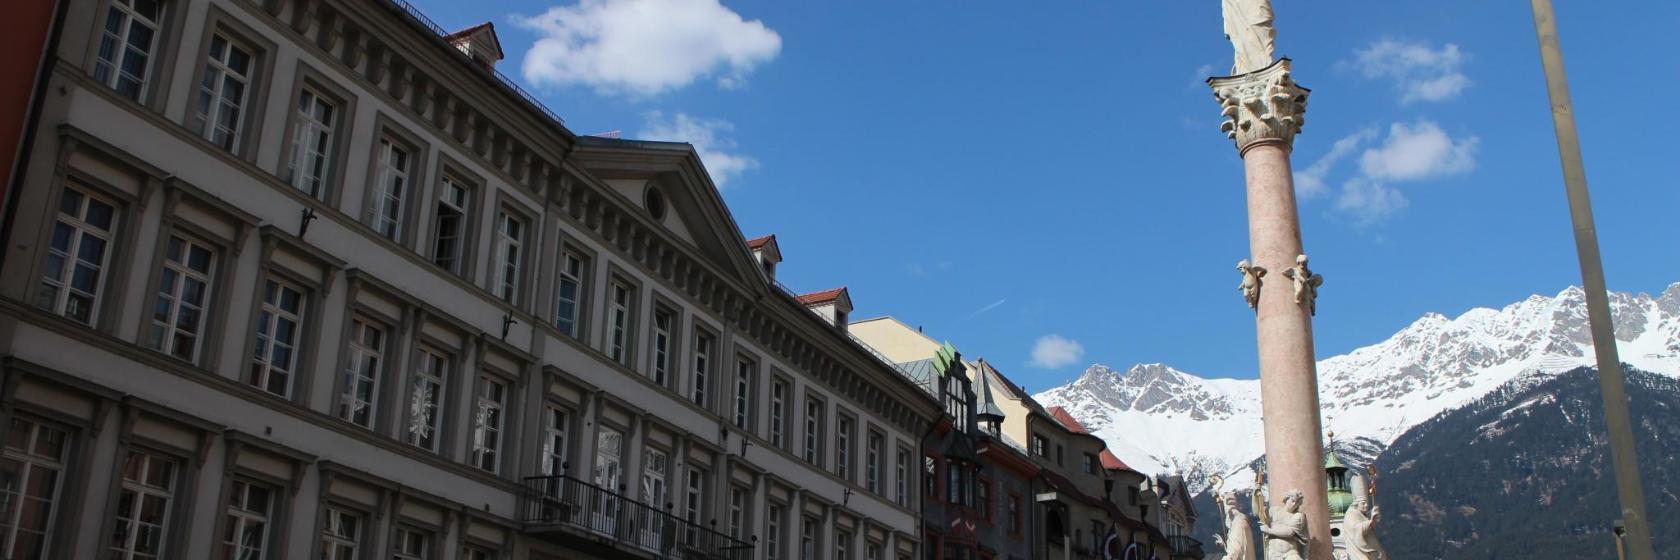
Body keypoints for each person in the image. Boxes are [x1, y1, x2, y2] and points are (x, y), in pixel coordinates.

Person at [1260, 489, 1308, 560]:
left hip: (1290, 554)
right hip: (1274, 554)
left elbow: (1290, 532)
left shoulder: (1298, 516)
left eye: (1297, 503)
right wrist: (1259, 500)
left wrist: (1269, 530)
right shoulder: (1274, 510)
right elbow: (1259, 514)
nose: (1294, 504)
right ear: (1286, 499)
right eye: (1292, 501)